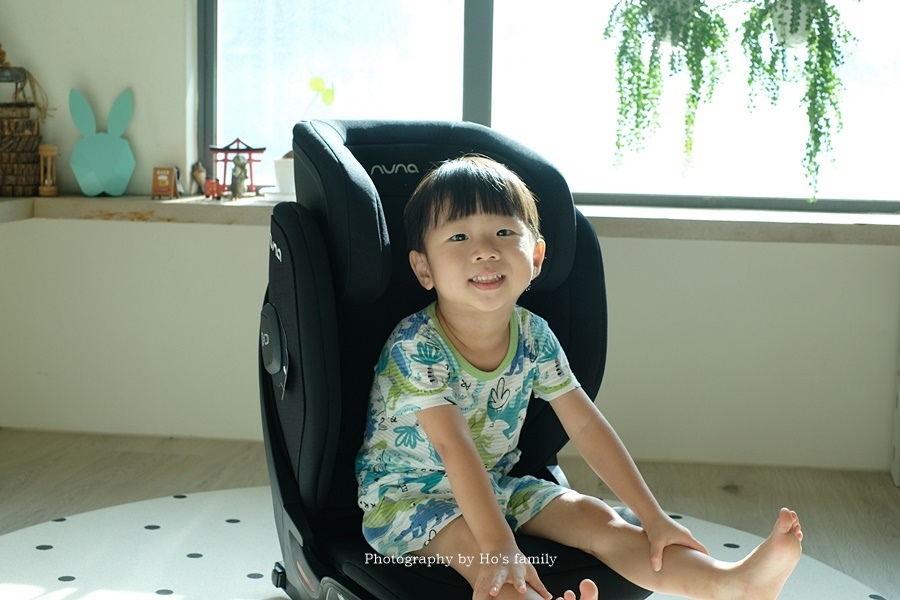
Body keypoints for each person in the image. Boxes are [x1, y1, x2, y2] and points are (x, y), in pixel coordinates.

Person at [355, 155, 803, 600]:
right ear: (424, 269)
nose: (485, 250)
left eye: (504, 233)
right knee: (487, 558)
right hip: (405, 499)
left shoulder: (534, 335)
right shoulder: (415, 346)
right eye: (459, 237)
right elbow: (455, 448)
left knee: (596, 516)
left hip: (495, 483)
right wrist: (499, 544)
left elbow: (586, 425)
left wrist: (653, 517)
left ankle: (731, 584)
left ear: (536, 257)